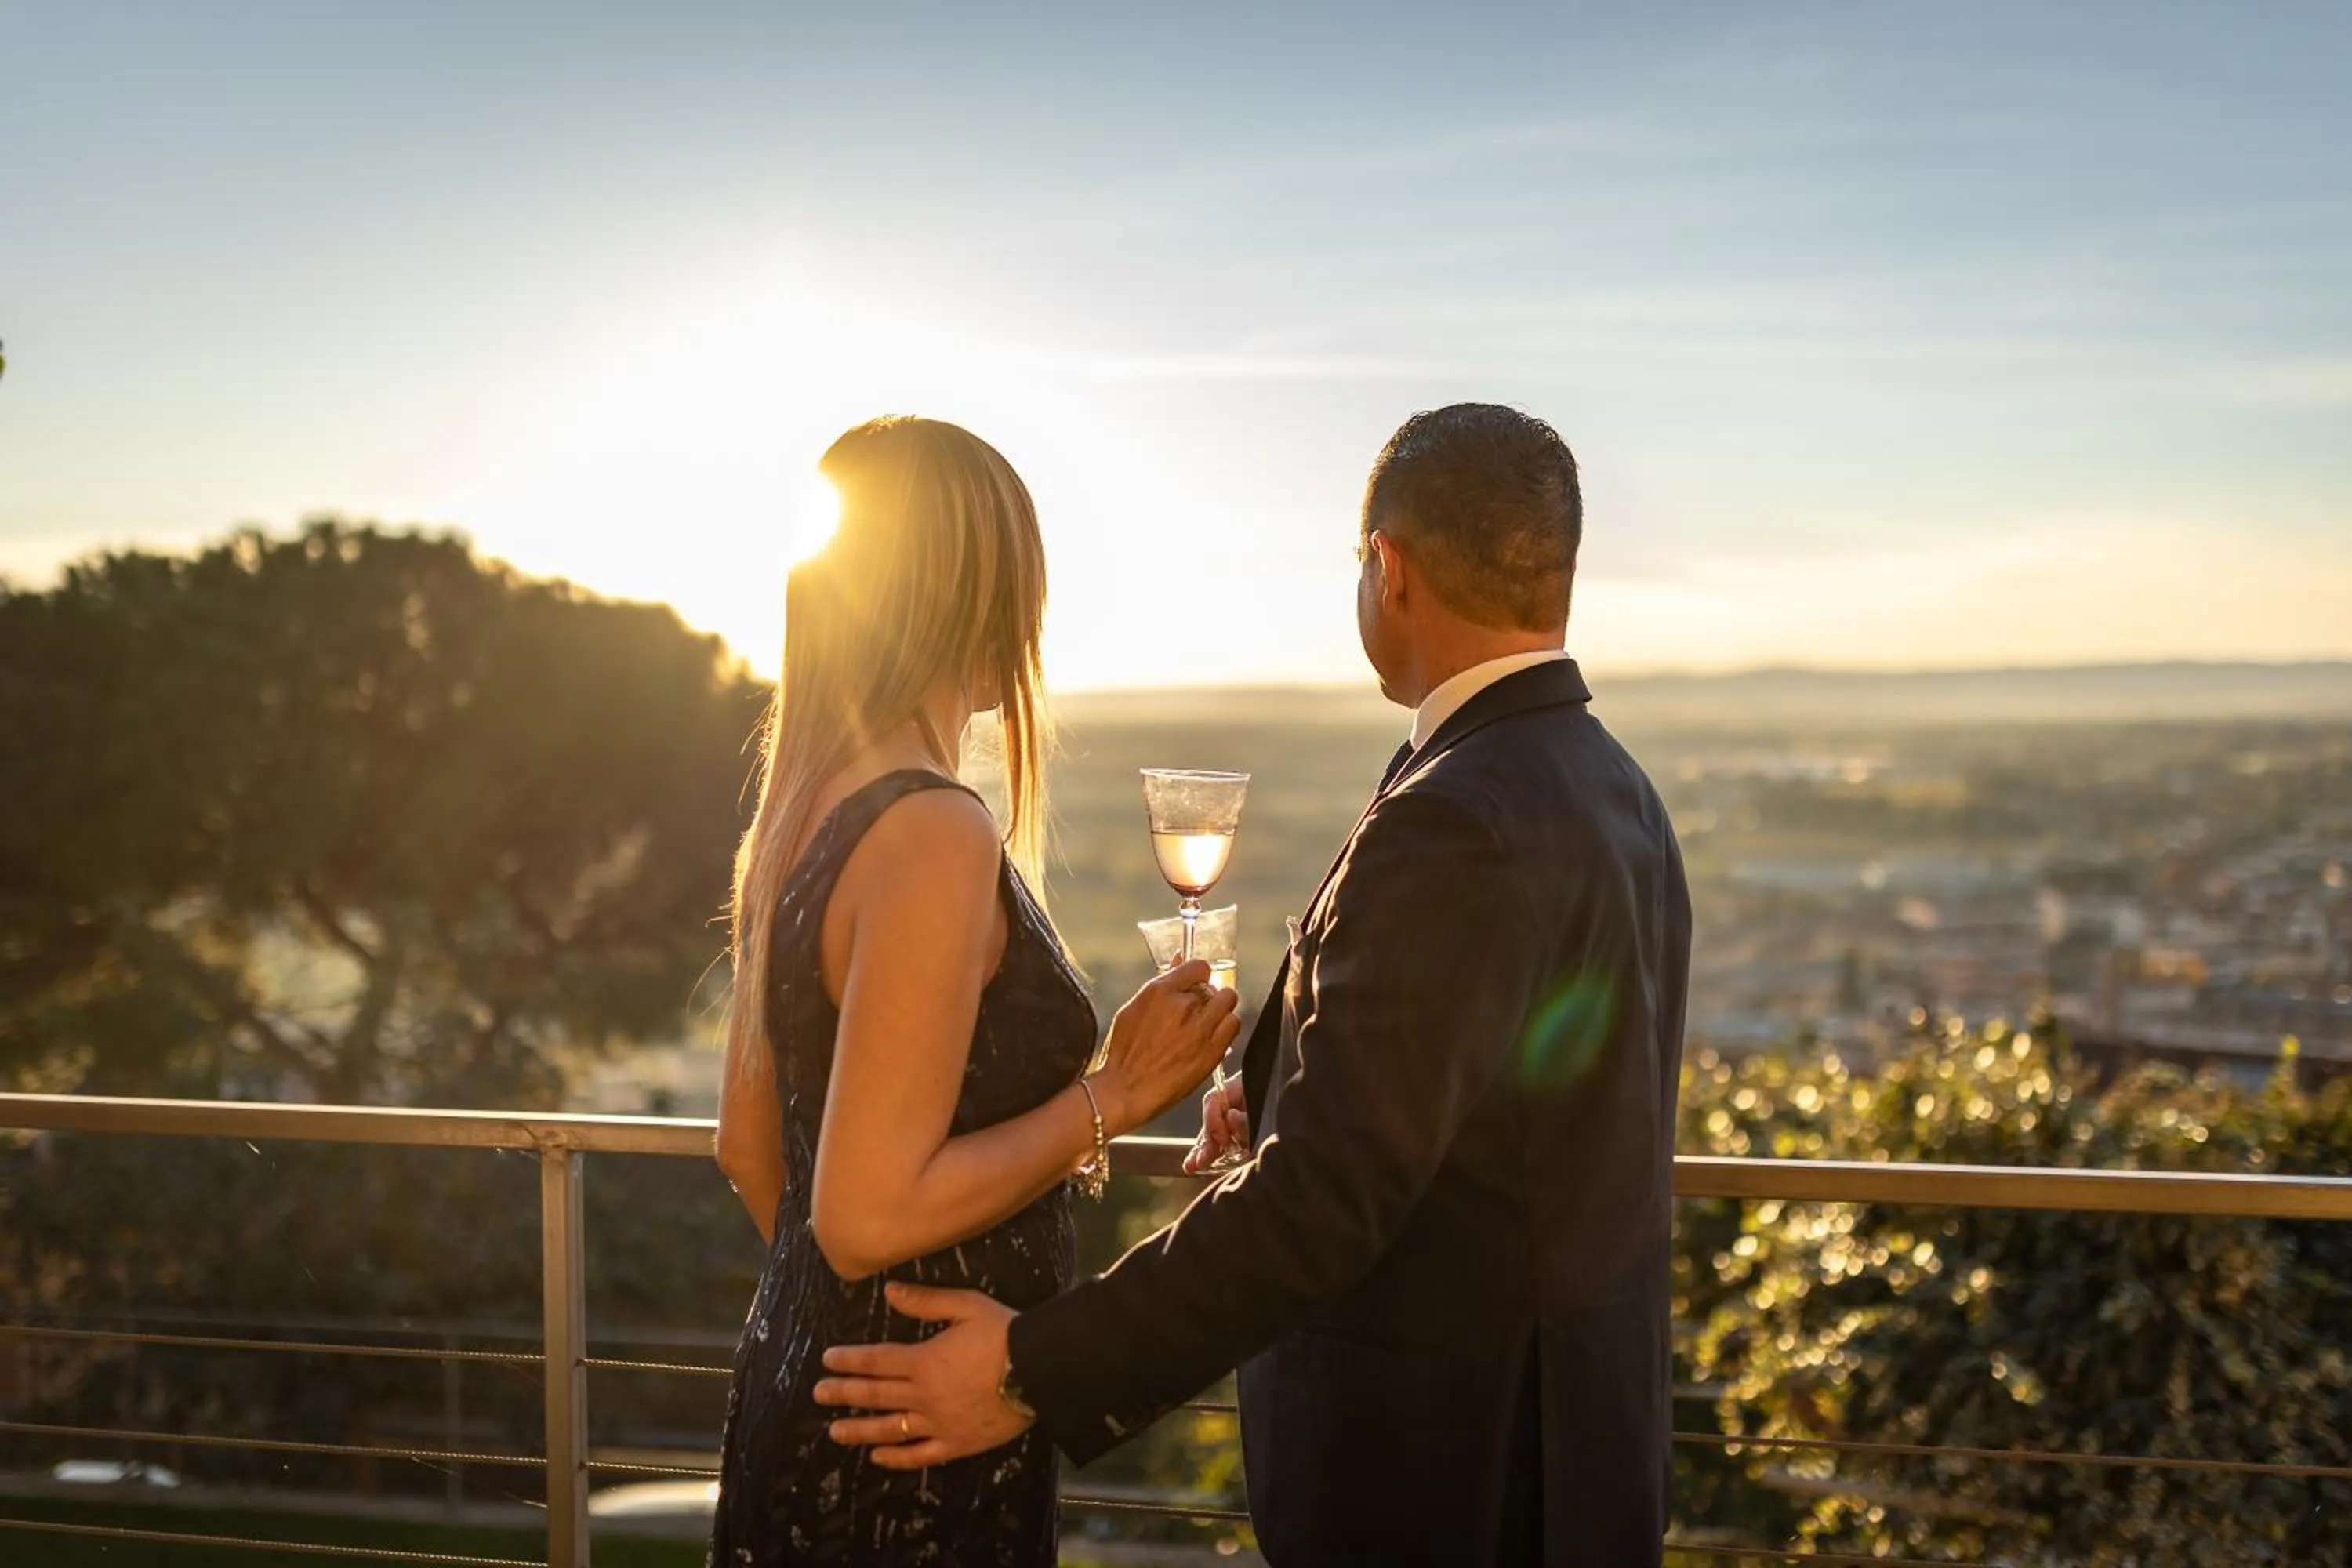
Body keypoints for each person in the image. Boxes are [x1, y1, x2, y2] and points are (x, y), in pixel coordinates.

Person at [813, 404, 1693, 1566]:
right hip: (1579, 1455)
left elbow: (1324, 1205)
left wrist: (1032, 1371)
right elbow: (1513, 1113)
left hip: (1449, 1482)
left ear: (1389, 569)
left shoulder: (1453, 816)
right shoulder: (1615, 789)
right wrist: (1285, 1098)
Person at [708, 415, 1243, 1566]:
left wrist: (849, 1322)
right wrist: (1111, 1097)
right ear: (966, 595)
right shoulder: (933, 830)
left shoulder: (798, 812)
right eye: (1020, 584)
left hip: (816, 1394)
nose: (1033, 622)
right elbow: (860, 1216)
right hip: (916, 1442)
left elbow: (753, 1153)